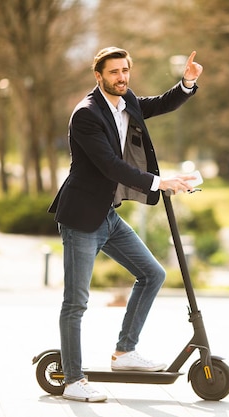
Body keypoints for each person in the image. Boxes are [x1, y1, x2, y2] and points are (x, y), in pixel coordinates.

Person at [47, 46, 203, 402]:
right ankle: (72, 380)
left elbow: (159, 104)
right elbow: (109, 166)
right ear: (98, 75)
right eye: (114, 72)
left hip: (107, 215)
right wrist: (158, 181)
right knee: (76, 303)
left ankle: (125, 352)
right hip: (81, 218)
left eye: (125, 71)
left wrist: (187, 83)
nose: (121, 77)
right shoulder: (86, 115)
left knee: (153, 274)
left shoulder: (126, 101)